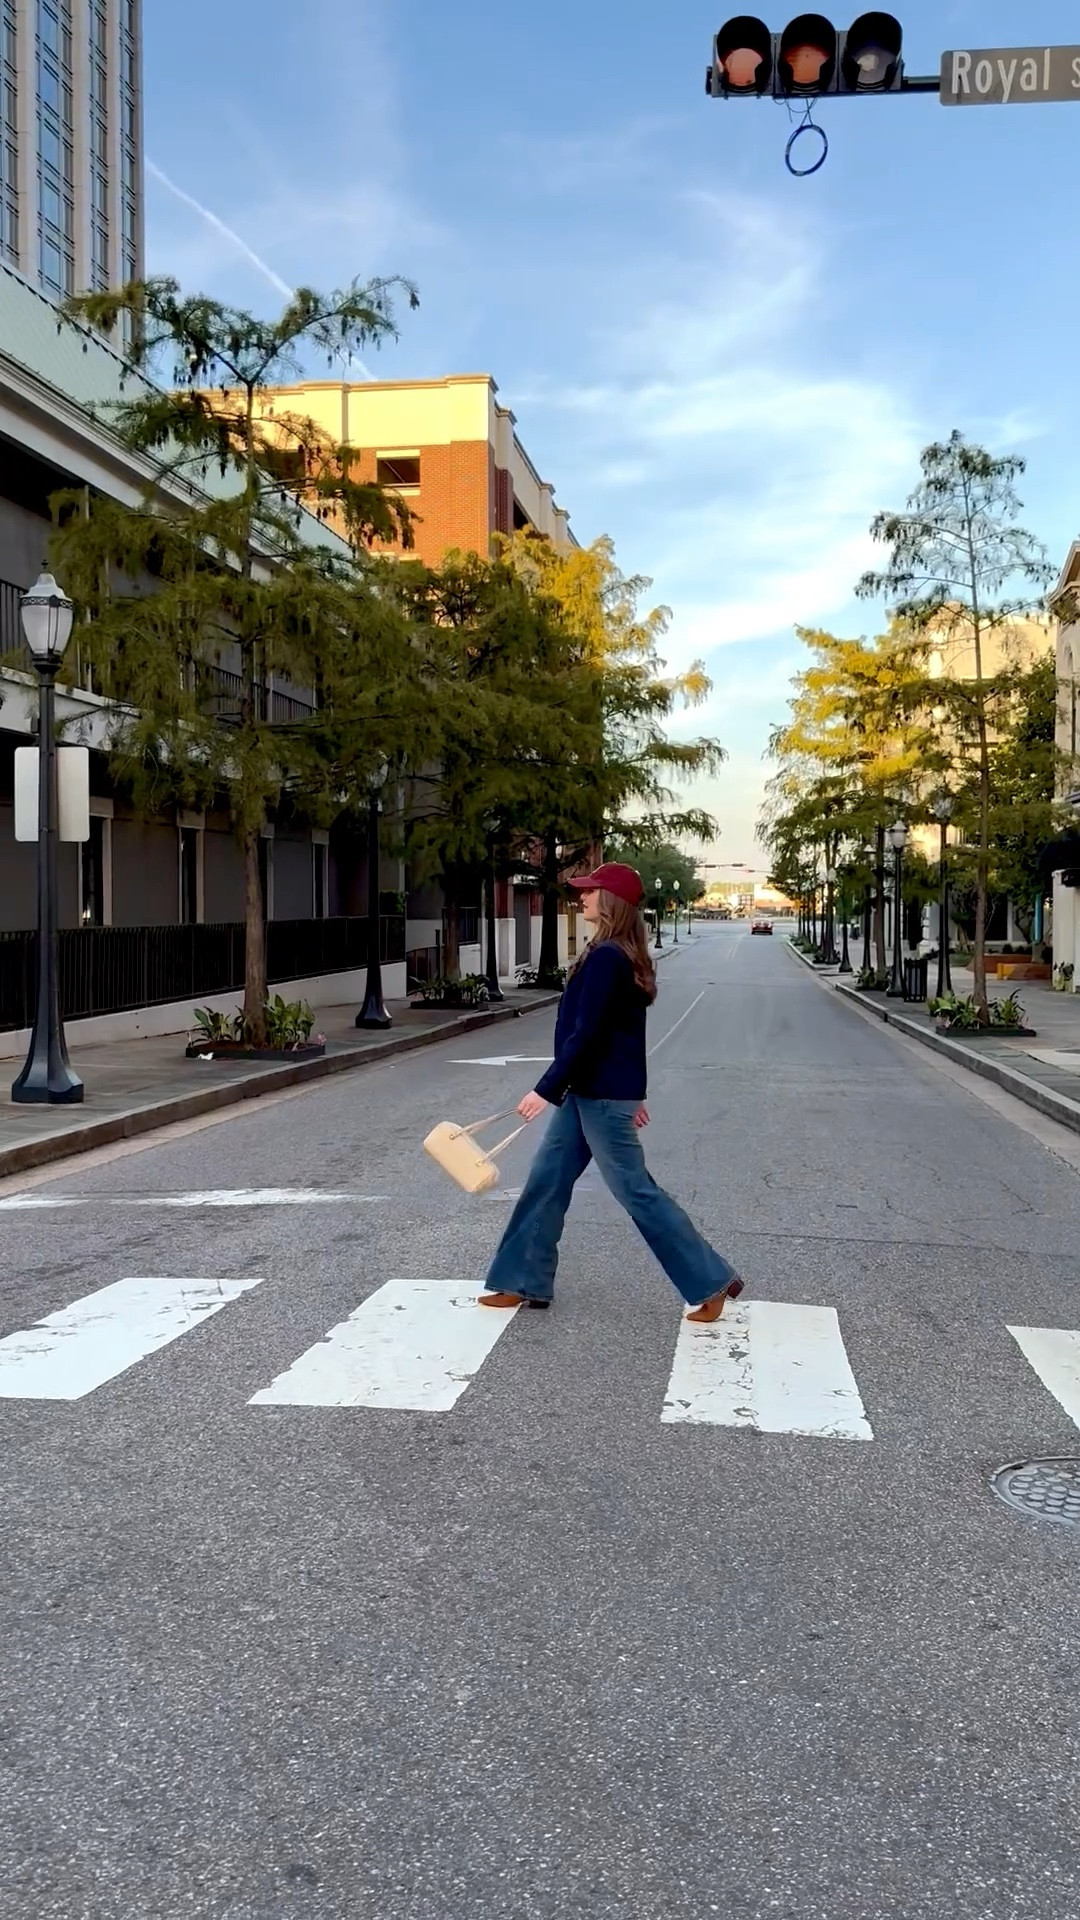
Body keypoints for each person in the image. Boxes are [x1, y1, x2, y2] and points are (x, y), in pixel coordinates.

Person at [478, 862, 744, 1320]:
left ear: (611, 901)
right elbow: (626, 1033)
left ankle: (711, 1281)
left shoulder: (607, 957)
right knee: (545, 1182)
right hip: (589, 1093)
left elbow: (592, 1034)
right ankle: (523, 1280)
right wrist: (632, 1092)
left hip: (598, 1097)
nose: (581, 898)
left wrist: (546, 1089)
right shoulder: (612, 951)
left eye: (589, 892)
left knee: (636, 1192)